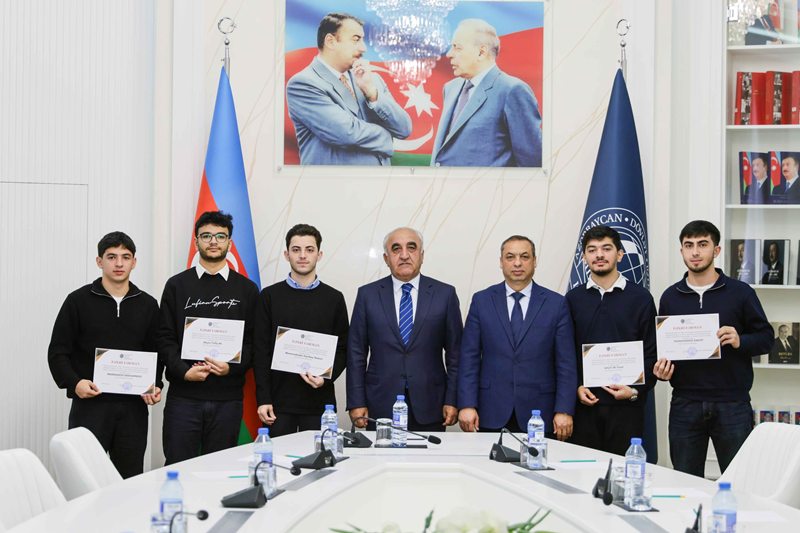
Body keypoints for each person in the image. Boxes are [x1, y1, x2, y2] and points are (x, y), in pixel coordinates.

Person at [654, 220, 773, 477]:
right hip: (685, 403)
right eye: (689, 245)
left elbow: (766, 339)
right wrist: (662, 371)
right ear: (682, 251)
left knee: (739, 480)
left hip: (732, 403)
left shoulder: (741, 293)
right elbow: (665, 350)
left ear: (716, 250)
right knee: (684, 480)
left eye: (702, 244)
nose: (695, 252)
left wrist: (740, 340)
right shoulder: (670, 297)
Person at [48, 231, 161, 478]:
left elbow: (156, 352)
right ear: (99, 261)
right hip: (90, 407)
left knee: (129, 480)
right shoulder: (77, 301)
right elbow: (57, 352)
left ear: (134, 262)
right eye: (111, 257)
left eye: (125, 257)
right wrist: (75, 383)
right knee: (85, 478)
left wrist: (156, 385)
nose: (119, 263)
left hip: (133, 409)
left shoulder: (148, 304)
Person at [158, 211, 259, 465]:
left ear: (229, 243)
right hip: (184, 398)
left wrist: (231, 367)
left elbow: (253, 342)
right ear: (196, 242)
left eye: (220, 236)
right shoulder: (176, 286)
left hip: (228, 399)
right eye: (206, 236)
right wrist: (184, 372)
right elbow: (164, 338)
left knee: (219, 470)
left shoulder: (247, 290)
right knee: (178, 466)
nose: (213, 241)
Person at [457, 235, 576, 439]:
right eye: (510, 257)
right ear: (501, 262)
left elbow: (566, 363)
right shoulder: (482, 301)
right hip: (490, 410)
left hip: (541, 413)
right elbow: (469, 358)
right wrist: (467, 404)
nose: (517, 263)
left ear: (535, 261)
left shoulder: (556, 304)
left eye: (524, 256)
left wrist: (564, 409)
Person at [347, 227, 461, 431]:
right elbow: (356, 353)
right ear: (386, 258)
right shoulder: (367, 295)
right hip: (380, 404)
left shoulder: (445, 294)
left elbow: (456, 354)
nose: (404, 255)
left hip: (431, 403)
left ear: (422, 255)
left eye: (411, 247)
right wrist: (356, 402)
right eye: (396, 249)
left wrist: (453, 399)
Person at [565, 226, 657, 455]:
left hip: (627, 409)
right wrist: (576, 387)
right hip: (584, 406)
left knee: (624, 472)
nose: (599, 255)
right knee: (583, 472)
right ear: (584, 257)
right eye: (592, 250)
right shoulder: (572, 299)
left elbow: (651, 352)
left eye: (606, 248)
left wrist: (634, 390)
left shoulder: (641, 298)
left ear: (620, 254)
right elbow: (565, 352)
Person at [253, 224, 349, 436]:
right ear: (286, 254)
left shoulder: (334, 298)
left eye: (309, 249)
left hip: (320, 404)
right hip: (278, 405)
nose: (303, 255)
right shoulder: (269, 296)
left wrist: (326, 377)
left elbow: (343, 348)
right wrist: (263, 398)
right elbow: (260, 351)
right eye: (296, 250)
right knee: (278, 456)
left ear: (319, 254)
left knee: (321, 456)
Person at [286, 12, 412, 165]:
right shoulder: (303, 84)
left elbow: (404, 129)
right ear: (331, 41)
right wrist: (387, 137)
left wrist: (373, 95)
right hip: (335, 180)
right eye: (356, 39)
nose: (363, 48)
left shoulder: (372, 80)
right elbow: (346, 133)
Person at [431, 19, 542, 167]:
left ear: (481, 52)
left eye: (457, 48)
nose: (449, 54)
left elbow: (531, 162)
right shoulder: (451, 88)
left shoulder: (512, 90)